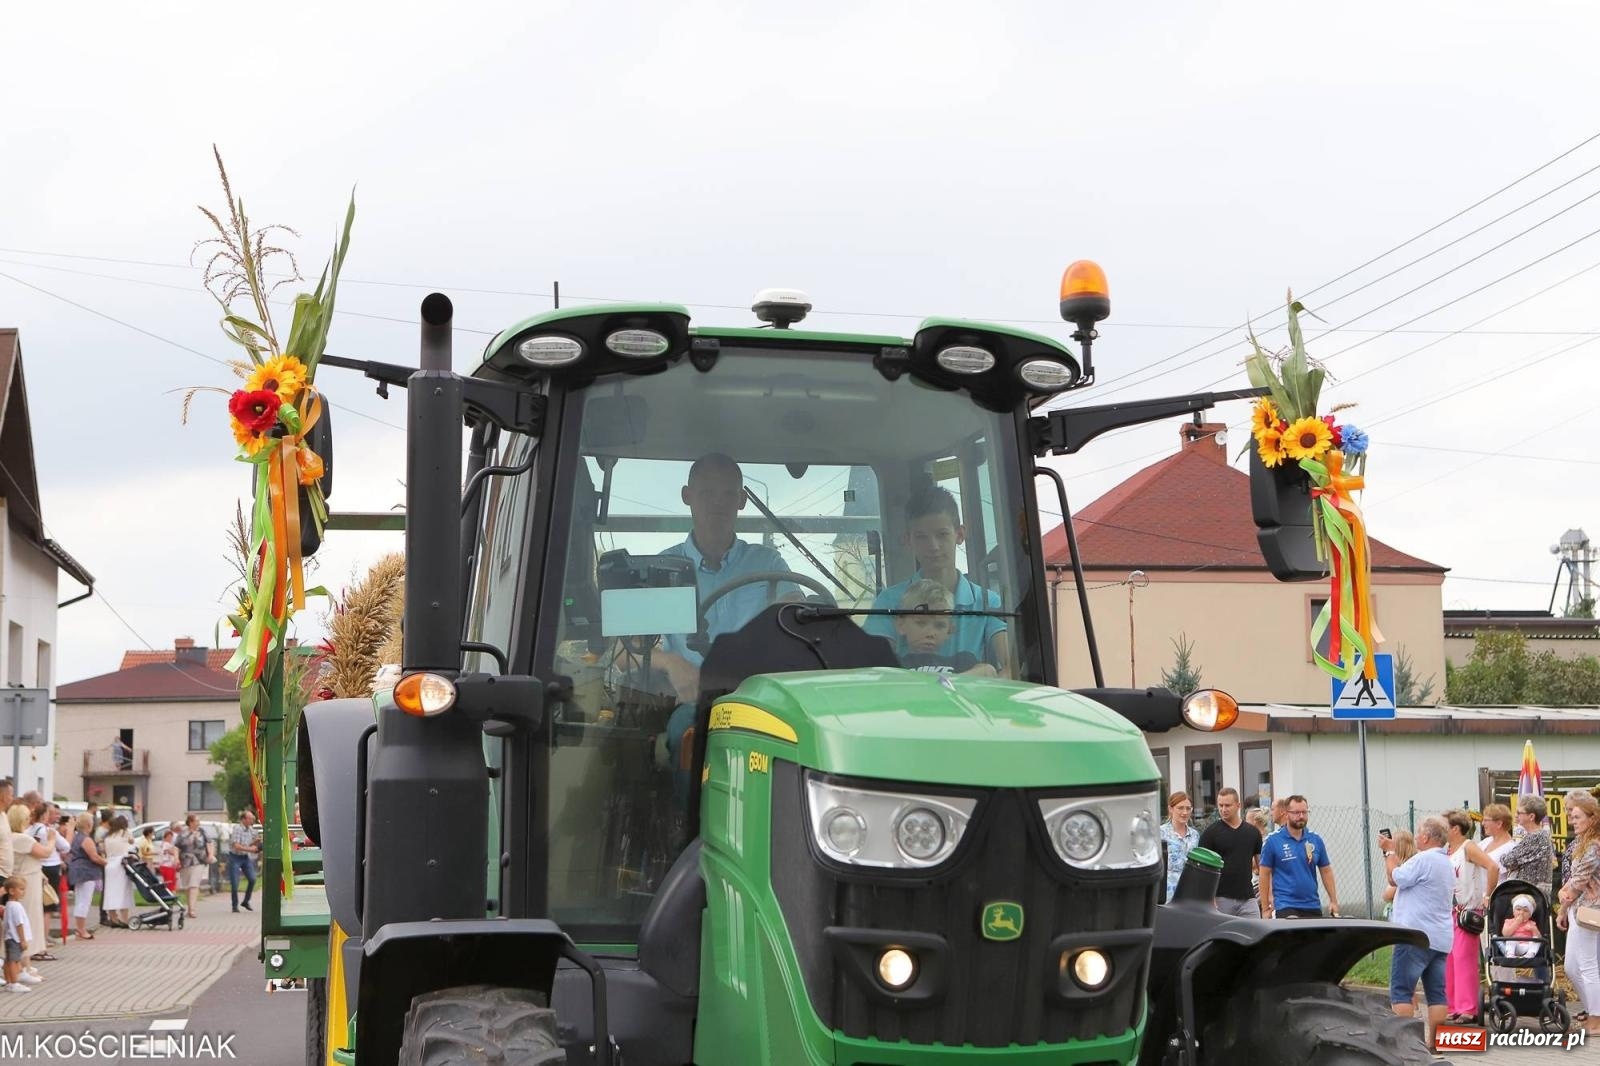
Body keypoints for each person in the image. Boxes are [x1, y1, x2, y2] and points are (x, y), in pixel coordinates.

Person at [651, 454, 801, 705]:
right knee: (682, 737)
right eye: (707, 493)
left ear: (741, 501)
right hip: (693, 700)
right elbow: (625, 649)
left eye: (729, 494)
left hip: (760, 698)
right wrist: (672, 663)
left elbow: (795, 621)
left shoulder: (768, 563)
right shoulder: (661, 568)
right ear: (687, 496)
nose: (718, 503)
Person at [865, 486, 1008, 670]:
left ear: (960, 534)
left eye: (942, 535)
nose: (933, 546)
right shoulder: (890, 601)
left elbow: (1011, 667)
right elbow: (874, 668)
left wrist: (986, 676)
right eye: (921, 537)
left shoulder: (988, 602)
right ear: (908, 540)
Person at [1382, 817, 1452, 1039]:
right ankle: (1437, 1043)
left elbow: (1396, 878)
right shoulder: (1447, 863)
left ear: (1426, 837)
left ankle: (1406, 1044)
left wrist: (1388, 852)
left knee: (1402, 991)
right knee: (1437, 994)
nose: (1416, 836)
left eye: (1419, 833)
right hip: (1440, 938)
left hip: (1414, 935)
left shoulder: (1423, 859)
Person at [1442, 809, 1498, 1024]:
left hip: (1466, 911)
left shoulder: (1468, 847)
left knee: (1464, 959)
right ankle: (1452, 1005)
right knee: (1449, 959)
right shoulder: (1446, 850)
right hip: (1448, 912)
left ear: (1455, 829)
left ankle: (1468, 1007)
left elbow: (1492, 866)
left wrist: (1487, 895)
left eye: (1444, 825)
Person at [1556, 792, 1600, 1037]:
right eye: (1571, 816)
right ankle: (1595, 1011)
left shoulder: (1594, 845)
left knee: (1588, 964)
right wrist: (1563, 907)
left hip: (1591, 911)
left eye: (1576, 816)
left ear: (1592, 818)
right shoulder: (1583, 842)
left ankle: (1596, 1020)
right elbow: (1573, 881)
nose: (1572, 820)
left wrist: (1563, 895)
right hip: (1576, 909)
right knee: (1572, 966)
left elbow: (1579, 880)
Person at [890, 580, 999, 676]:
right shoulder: (892, 665)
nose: (930, 633)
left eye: (939, 625)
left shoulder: (964, 661)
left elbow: (988, 672)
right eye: (921, 623)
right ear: (901, 625)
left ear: (950, 629)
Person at [1259, 794, 1340, 919]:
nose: (1301, 816)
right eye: (1296, 812)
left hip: (1312, 905)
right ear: (1286, 814)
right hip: (1285, 905)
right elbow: (1264, 874)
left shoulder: (1315, 839)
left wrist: (1333, 901)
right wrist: (1265, 908)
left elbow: (1326, 871)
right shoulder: (1272, 841)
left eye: (1304, 812)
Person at [1199, 787, 1263, 917]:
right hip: (1220, 899)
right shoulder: (1210, 833)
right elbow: (1202, 870)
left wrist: (1265, 894)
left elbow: (1262, 866)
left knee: (1255, 935)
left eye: (1227, 805)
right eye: (1220, 805)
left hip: (1248, 899)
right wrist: (1209, 898)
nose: (1223, 809)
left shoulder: (1253, 833)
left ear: (1238, 805)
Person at [8, 805, 52, 962]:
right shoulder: (21, 838)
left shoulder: (11, 837)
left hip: (25, 879)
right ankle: (22, 963)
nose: (29, 821)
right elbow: (45, 853)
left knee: (26, 921)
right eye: (27, 818)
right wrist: (52, 839)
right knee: (28, 921)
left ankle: (25, 964)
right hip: (27, 882)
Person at [1496, 796, 1554, 899]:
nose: (1515, 815)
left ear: (1531, 816)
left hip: (1531, 898)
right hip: (1530, 896)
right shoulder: (1539, 836)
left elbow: (1508, 860)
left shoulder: (1536, 838)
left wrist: (1504, 857)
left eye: (1519, 813)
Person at [66, 813, 107, 939]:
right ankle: (81, 930)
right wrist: (105, 862)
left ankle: (79, 929)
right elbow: (93, 856)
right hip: (86, 872)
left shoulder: (76, 837)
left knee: (80, 900)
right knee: (84, 901)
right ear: (89, 824)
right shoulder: (86, 839)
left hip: (78, 870)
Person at [1159, 791, 1198, 901]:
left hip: (1190, 894)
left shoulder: (1195, 835)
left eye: (1188, 808)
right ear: (1171, 809)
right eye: (1180, 808)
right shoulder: (1160, 833)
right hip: (1166, 896)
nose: (1185, 812)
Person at [2, 876, 35, 992]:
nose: (23, 892)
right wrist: (22, 940)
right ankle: (14, 983)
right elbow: (19, 924)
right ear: (11, 891)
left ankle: (8, 981)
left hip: (9, 937)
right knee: (14, 961)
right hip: (15, 938)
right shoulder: (16, 906)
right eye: (21, 889)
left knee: (8, 960)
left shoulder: (9, 905)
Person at [100, 816, 134, 928]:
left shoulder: (107, 836)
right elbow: (132, 842)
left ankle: (113, 918)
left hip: (109, 864)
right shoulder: (126, 832)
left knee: (110, 892)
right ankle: (124, 919)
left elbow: (103, 850)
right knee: (124, 891)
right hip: (121, 864)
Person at [175, 815, 211, 916]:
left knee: (194, 884)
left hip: (199, 861)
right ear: (190, 822)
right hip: (185, 862)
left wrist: (211, 855)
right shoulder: (182, 833)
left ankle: (192, 910)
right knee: (187, 886)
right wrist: (176, 858)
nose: (199, 823)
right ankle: (190, 907)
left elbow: (209, 843)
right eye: (197, 821)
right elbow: (176, 847)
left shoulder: (202, 832)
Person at [229, 810, 260, 912]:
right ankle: (234, 906)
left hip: (245, 857)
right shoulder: (238, 829)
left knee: (252, 879)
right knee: (235, 882)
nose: (252, 820)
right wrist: (250, 849)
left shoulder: (251, 829)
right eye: (250, 818)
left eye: (252, 818)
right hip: (235, 857)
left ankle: (246, 901)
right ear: (243, 819)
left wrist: (256, 842)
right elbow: (236, 846)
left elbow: (249, 843)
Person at [1499, 894, 1542, 959]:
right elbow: (1505, 934)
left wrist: (1533, 929)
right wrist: (1516, 923)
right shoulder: (1509, 921)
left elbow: (1538, 937)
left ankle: (1530, 955)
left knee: (1537, 940)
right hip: (1515, 947)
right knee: (1511, 939)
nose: (1521, 913)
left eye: (1525, 910)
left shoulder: (1531, 923)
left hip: (1528, 947)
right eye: (1518, 909)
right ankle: (1510, 955)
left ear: (1530, 915)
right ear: (1513, 912)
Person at [158, 829, 179, 894]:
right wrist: (176, 851)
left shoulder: (165, 844)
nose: (170, 838)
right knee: (170, 881)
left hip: (168, 865)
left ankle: (171, 893)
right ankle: (170, 893)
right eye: (168, 837)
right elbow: (172, 852)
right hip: (167, 866)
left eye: (171, 837)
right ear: (165, 837)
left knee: (171, 881)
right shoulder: (166, 844)